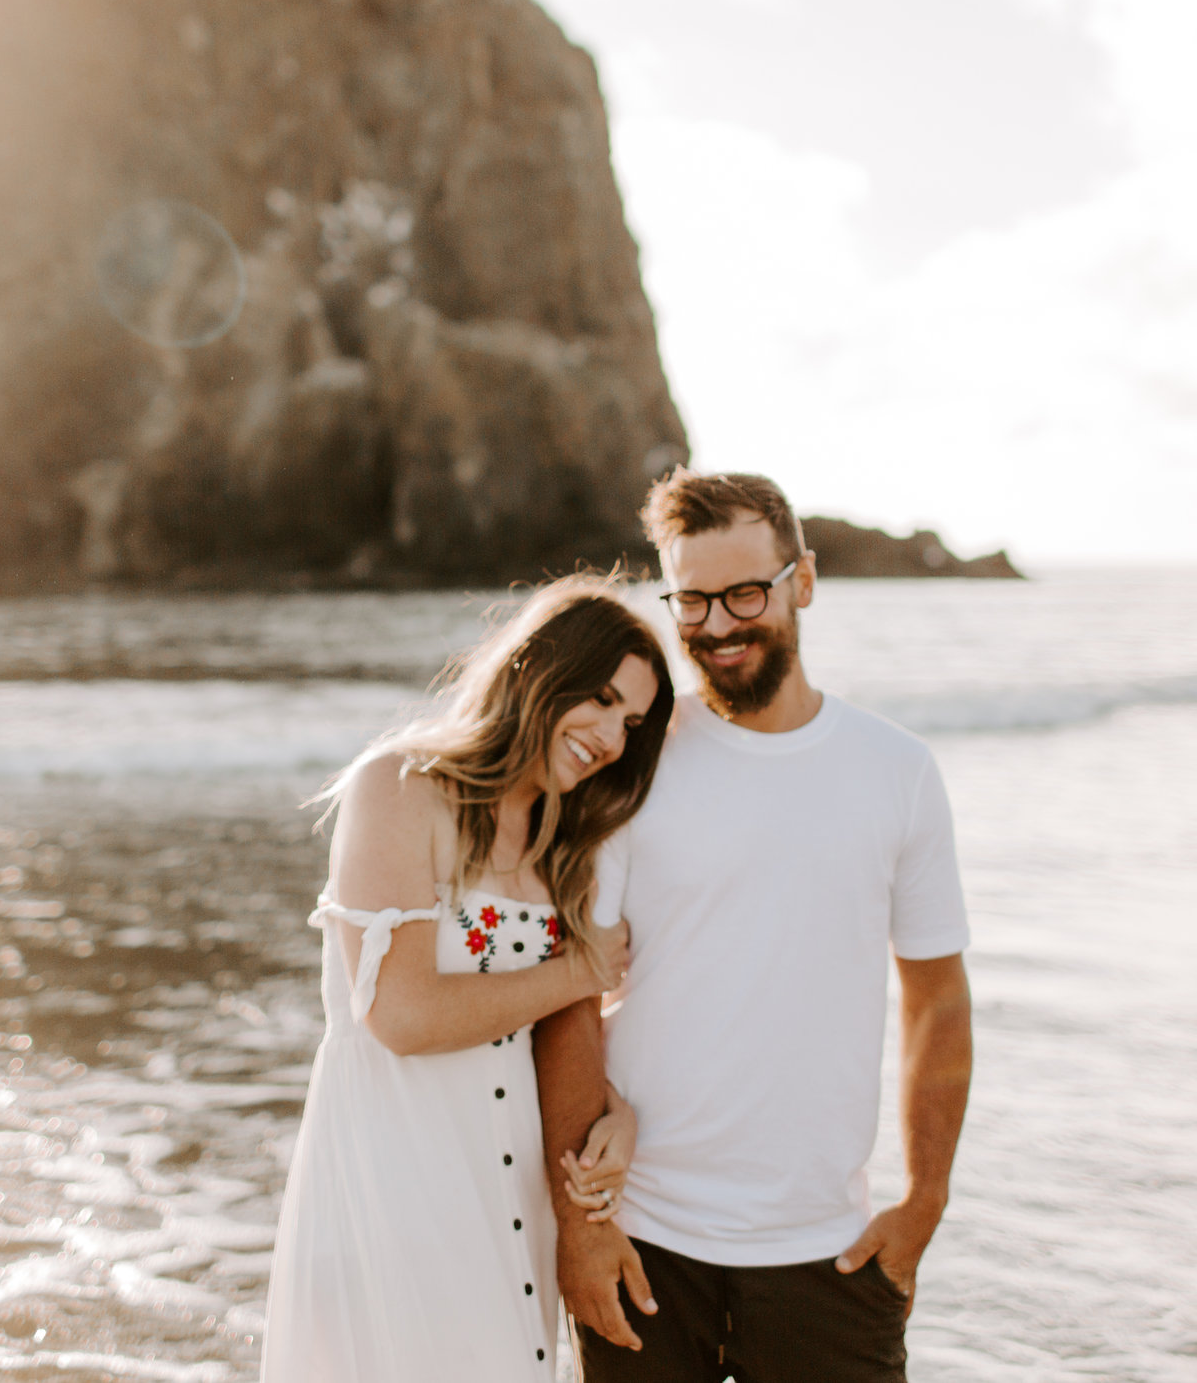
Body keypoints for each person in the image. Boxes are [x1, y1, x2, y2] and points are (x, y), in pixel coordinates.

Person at [534, 470, 975, 1381]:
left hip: (831, 1254)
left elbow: (936, 995)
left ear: (802, 581)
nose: (719, 625)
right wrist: (583, 1229)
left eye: (744, 592)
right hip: (645, 1241)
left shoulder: (897, 770)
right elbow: (572, 995)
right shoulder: (633, 763)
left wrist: (923, 1203)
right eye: (691, 600)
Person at [261, 574, 676, 1381]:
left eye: (631, 722)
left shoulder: (564, 836)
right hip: (398, 1176)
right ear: (534, 667)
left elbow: (541, 1033)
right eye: (597, 698)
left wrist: (615, 1114)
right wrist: (579, 969)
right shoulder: (400, 785)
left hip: (508, 1192)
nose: (611, 736)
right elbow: (401, 1015)